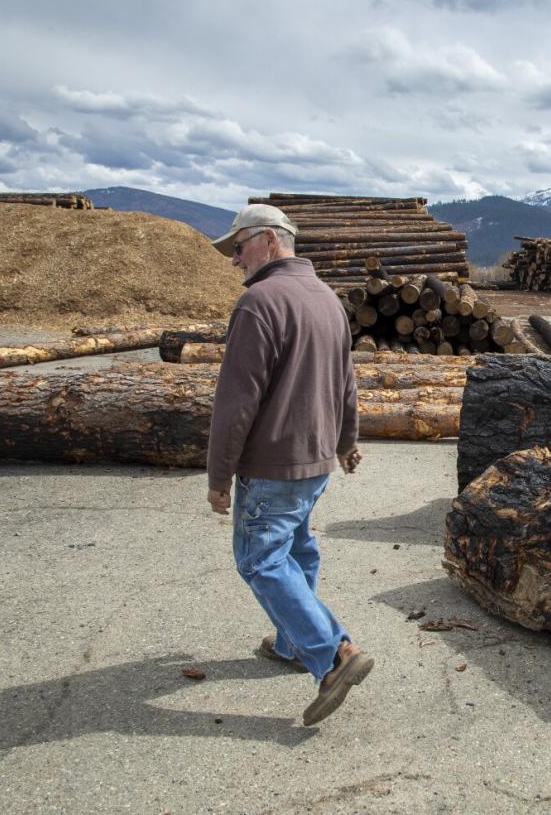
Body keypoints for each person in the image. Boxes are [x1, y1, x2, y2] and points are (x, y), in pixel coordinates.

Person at [205, 203, 371, 726]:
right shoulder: (327, 299)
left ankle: (331, 652)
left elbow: (236, 403)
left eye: (239, 246)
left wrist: (217, 478)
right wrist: (346, 442)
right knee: (297, 548)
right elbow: (347, 383)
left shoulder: (260, 302)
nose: (235, 259)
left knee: (260, 559)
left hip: (274, 462)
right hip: (315, 460)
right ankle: (289, 644)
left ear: (270, 241)